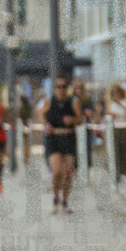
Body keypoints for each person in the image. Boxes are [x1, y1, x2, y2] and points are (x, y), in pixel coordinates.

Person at [40, 73, 82, 214]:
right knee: (57, 171)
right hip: (54, 138)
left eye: (64, 87)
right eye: (58, 87)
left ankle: (65, 201)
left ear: (67, 88)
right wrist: (46, 125)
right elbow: (42, 115)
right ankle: (55, 195)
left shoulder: (73, 101)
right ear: (55, 88)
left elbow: (80, 120)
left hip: (69, 137)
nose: (61, 89)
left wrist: (72, 119)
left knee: (68, 172)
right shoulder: (49, 101)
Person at [106, 83, 126, 182]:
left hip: (124, 127)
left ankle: (124, 168)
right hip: (115, 129)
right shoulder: (111, 103)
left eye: (117, 92)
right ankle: (117, 172)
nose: (115, 94)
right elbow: (107, 116)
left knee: (124, 149)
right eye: (113, 93)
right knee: (116, 150)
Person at [18, 93, 33, 167]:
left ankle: (25, 158)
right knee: (27, 143)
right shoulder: (29, 107)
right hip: (28, 125)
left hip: (23, 126)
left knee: (25, 143)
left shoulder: (22, 108)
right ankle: (27, 158)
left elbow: (19, 116)